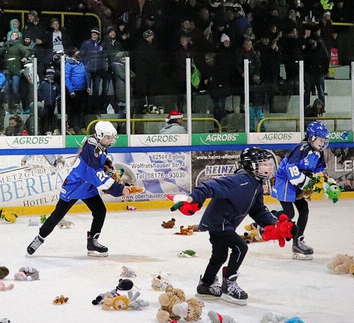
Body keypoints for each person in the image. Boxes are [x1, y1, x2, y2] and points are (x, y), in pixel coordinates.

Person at [170, 147, 290, 306]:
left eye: (269, 164)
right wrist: (193, 198)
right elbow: (209, 186)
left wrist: (274, 223)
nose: (268, 167)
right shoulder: (240, 181)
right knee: (241, 247)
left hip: (224, 224)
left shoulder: (256, 184)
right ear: (250, 165)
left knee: (220, 255)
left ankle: (205, 284)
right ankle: (229, 285)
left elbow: (258, 210)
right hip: (218, 223)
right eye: (263, 164)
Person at [26, 121, 142, 258]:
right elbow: (96, 175)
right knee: (57, 215)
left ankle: (93, 241)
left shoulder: (99, 146)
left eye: (112, 137)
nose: (111, 140)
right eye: (108, 137)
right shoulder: (92, 151)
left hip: (88, 186)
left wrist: (110, 172)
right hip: (75, 186)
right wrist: (119, 189)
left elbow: (100, 168)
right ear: (100, 135)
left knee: (100, 211)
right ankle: (39, 238)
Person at [271, 120, 332, 260]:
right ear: (312, 137)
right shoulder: (301, 148)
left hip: (298, 183)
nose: (323, 142)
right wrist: (306, 183)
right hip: (285, 182)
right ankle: (265, 219)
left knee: (304, 209)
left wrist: (321, 181)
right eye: (320, 139)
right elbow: (290, 169)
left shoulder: (319, 152)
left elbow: (319, 170)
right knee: (289, 214)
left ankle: (298, 242)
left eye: (324, 139)